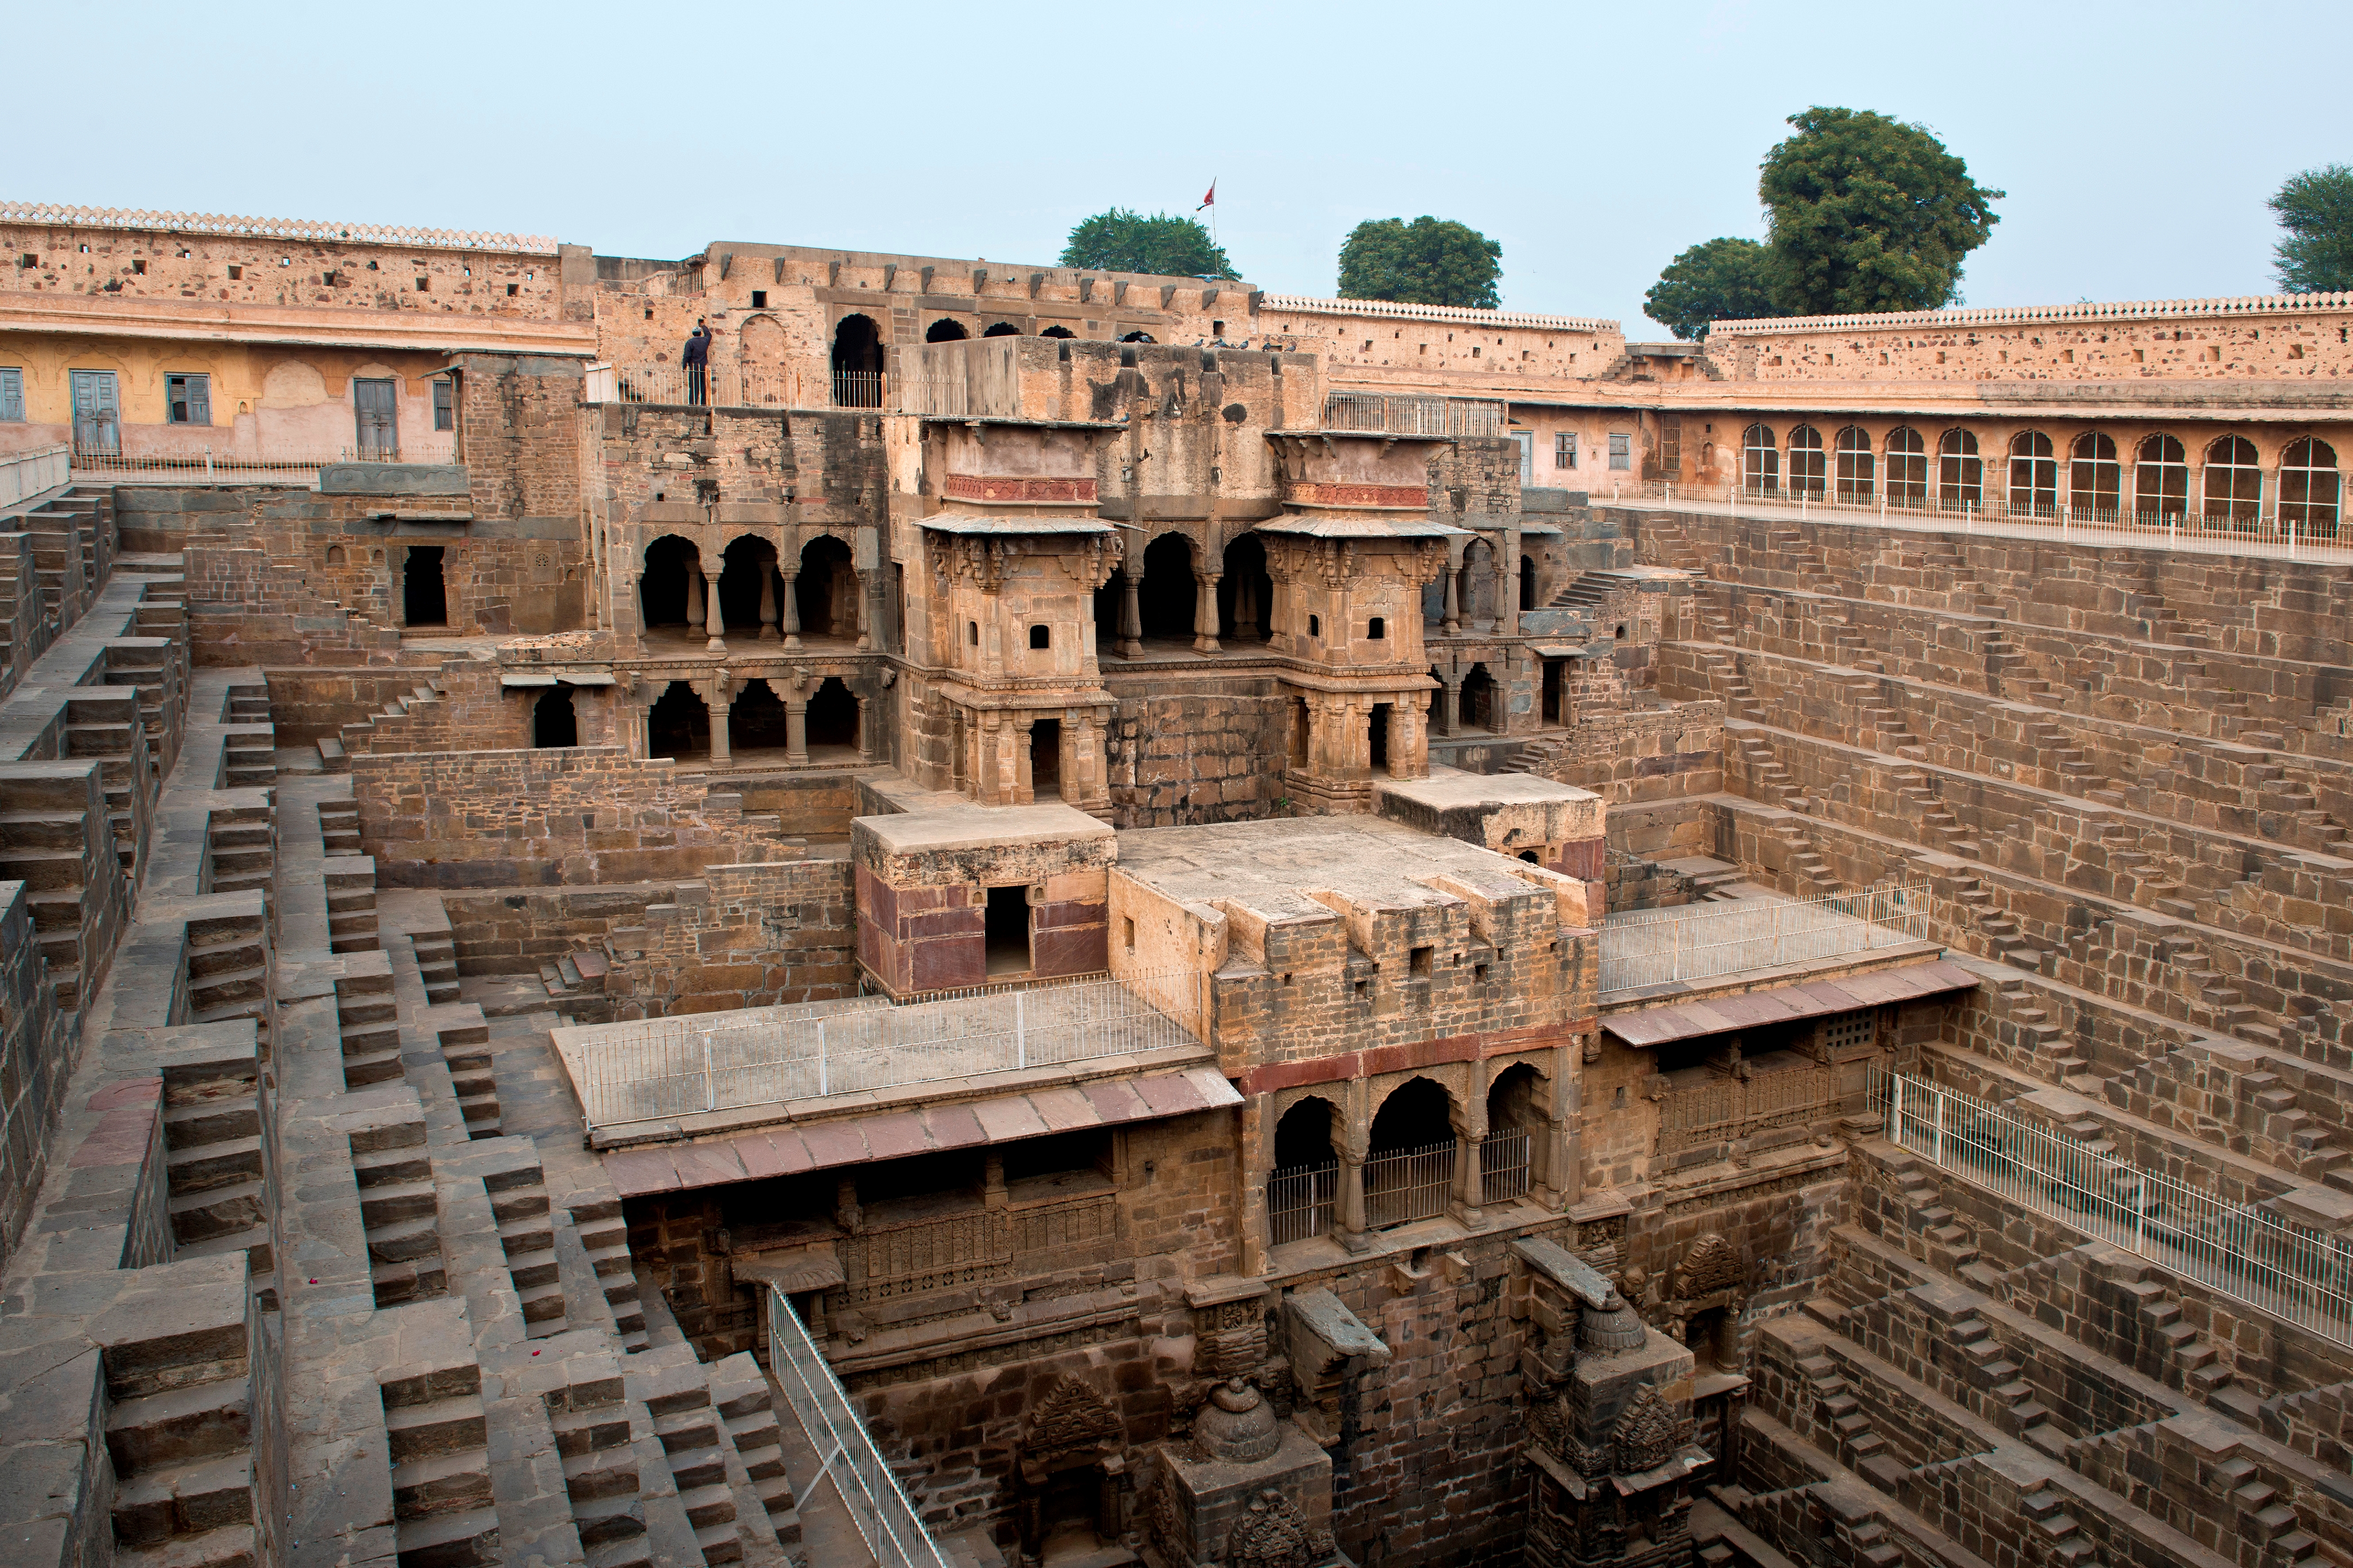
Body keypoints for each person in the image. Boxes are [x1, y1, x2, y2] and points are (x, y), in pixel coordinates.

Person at [683, 321, 710, 406]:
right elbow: (709, 335)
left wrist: (684, 366)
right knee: (704, 387)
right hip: (703, 367)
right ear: (700, 333)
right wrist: (703, 325)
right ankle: (704, 403)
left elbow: (687, 355)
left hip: (694, 367)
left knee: (694, 387)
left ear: (693, 334)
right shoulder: (705, 341)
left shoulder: (690, 342)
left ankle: (693, 403)